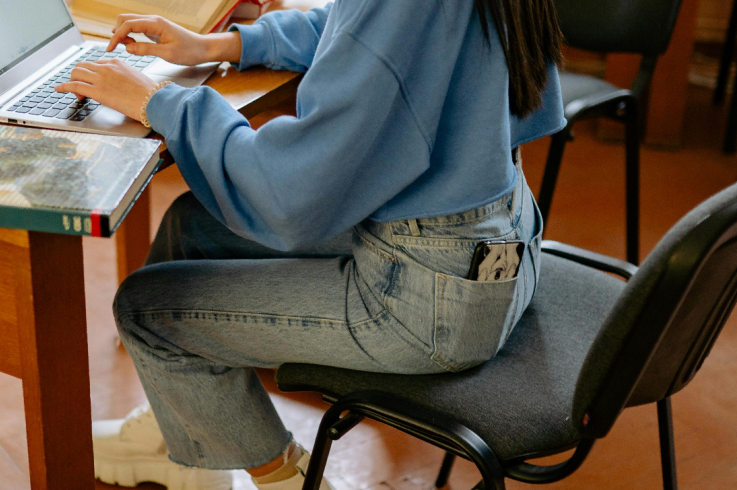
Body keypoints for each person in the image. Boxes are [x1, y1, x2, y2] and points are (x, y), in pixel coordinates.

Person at [56, 1, 564, 489]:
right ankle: (189, 432)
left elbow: (290, 193)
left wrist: (157, 101)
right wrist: (221, 45)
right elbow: (357, 30)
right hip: (494, 243)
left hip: (431, 301)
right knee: (191, 227)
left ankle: (289, 479)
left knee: (146, 313)